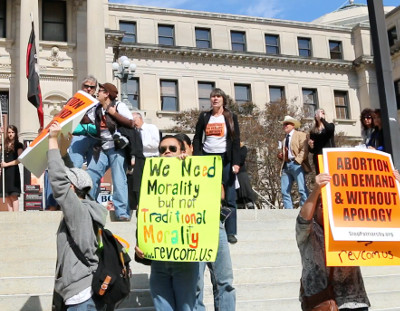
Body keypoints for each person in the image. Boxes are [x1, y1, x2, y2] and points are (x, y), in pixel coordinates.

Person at [47, 122, 108, 310]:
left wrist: (52, 140)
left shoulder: (78, 210)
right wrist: (63, 152)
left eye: (68, 185)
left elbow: (59, 181)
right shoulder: (86, 206)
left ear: (72, 188)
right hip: (82, 291)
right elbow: (74, 177)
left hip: (80, 295)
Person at [135, 135, 199, 311]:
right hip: (159, 260)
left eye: (172, 148)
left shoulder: (192, 174)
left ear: (183, 151)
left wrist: (188, 167)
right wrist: (140, 243)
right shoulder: (151, 179)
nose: (167, 152)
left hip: (184, 259)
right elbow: (145, 216)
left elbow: (208, 199)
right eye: (162, 150)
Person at [297, 173, 370, 311]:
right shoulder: (309, 231)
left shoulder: (351, 225)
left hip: (354, 300)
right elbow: (303, 219)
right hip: (321, 301)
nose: (327, 209)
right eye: (323, 205)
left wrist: (396, 186)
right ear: (315, 209)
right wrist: (316, 190)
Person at [193, 88, 240, 244]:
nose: (215, 99)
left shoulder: (231, 117)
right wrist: (198, 157)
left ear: (223, 99)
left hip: (225, 159)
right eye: (213, 96)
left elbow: (235, 140)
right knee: (208, 195)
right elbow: (197, 138)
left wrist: (236, 162)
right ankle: (208, 228)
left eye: (218, 96)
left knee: (230, 196)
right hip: (208, 158)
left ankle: (231, 232)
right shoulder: (205, 116)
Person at [86, 82, 134, 221]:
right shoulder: (96, 109)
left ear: (107, 93)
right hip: (101, 147)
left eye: (100, 91)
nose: (97, 93)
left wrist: (113, 113)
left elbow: (131, 123)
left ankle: (122, 212)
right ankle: (90, 207)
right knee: (91, 175)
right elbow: (87, 121)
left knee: (119, 178)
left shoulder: (119, 106)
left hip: (116, 147)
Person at [277, 115, 310, 209]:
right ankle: (289, 211)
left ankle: (304, 210)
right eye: (283, 124)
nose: (284, 126)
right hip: (286, 165)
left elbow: (304, 150)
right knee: (284, 191)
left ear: (292, 125)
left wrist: (297, 161)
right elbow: (285, 153)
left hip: (297, 164)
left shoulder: (301, 135)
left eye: (286, 124)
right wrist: (281, 156)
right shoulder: (284, 139)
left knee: (302, 189)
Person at [68, 75, 98, 168]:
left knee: (93, 170)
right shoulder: (73, 101)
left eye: (92, 87)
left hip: (95, 138)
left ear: (95, 89)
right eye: (86, 86)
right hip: (77, 137)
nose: (89, 89)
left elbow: (97, 120)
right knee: (75, 168)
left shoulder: (98, 103)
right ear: (82, 87)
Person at [0, 125, 24, 212]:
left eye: (12, 132)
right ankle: (10, 216)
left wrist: (7, 164)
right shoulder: (4, 144)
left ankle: (16, 216)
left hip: (13, 172)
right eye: (9, 132)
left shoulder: (18, 145)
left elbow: (19, 160)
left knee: (13, 195)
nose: (10, 134)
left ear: (16, 133)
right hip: (5, 172)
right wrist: (1, 133)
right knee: (7, 196)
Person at [308, 109, 335, 174]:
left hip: (329, 156)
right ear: (315, 116)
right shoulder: (313, 131)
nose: (322, 114)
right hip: (319, 157)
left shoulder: (330, 125)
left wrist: (322, 119)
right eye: (320, 113)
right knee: (321, 176)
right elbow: (313, 150)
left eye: (323, 113)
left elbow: (330, 130)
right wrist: (311, 146)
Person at [236, 142, 256, 209]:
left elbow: (241, 160)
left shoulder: (242, 148)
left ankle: (249, 202)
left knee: (245, 189)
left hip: (240, 171)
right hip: (231, 173)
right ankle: (239, 204)